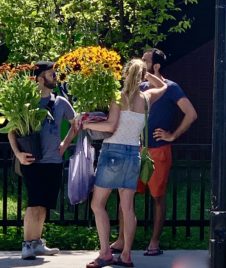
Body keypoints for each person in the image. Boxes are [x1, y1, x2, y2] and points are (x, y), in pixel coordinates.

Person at [110, 48, 197, 256]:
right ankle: (122, 240)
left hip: (158, 150)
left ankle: (154, 242)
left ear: (156, 66)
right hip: (134, 149)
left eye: (146, 61)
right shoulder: (138, 88)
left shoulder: (171, 88)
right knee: (126, 196)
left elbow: (191, 113)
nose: (141, 63)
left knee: (158, 197)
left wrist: (173, 135)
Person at [82, 59, 167, 268]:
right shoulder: (146, 98)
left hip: (113, 151)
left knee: (97, 204)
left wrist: (86, 123)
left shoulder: (119, 97)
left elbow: (111, 126)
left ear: (125, 74)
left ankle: (105, 254)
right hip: (133, 154)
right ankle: (127, 255)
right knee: (127, 208)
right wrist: (148, 75)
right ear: (141, 76)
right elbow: (163, 86)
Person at [8, 61, 77, 260]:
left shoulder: (61, 102)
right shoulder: (26, 102)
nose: (55, 77)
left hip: (54, 161)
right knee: (34, 203)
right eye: (51, 74)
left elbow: (75, 124)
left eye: (54, 74)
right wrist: (19, 154)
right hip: (32, 161)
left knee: (44, 204)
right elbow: (12, 131)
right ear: (39, 78)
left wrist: (64, 145)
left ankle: (37, 243)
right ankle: (27, 245)